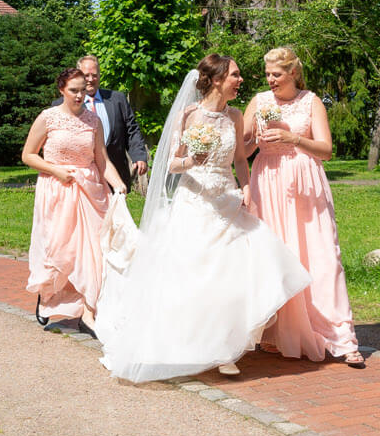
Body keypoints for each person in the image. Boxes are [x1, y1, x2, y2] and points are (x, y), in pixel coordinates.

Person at [94, 55, 311, 382]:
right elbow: (172, 164)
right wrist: (192, 160)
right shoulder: (189, 115)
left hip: (228, 200)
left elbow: (240, 159)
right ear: (217, 79)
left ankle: (225, 348)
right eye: (235, 75)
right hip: (195, 203)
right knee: (197, 277)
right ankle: (189, 344)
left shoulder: (235, 115)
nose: (240, 80)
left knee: (242, 270)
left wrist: (246, 187)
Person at [244, 47, 364, 367]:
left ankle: (341, 337)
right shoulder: (259, 102)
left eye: (276, 74)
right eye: (267, 74)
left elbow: (326, 150)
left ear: (293, 73)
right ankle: (280, 333)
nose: (270, 80)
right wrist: (253, 139)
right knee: (279, 256)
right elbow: (242, 148)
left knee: (323, 258)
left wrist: (293, 139)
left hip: (306, 187)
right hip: (268, 184)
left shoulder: (311, 102)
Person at [22, 67, 128, 330]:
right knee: (62, 250)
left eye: (83, 90)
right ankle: (49, 294)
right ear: (62, 90)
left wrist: (118, 184)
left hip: (90, 191)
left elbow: (102, 160)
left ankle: (89, 312)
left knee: (94, 251)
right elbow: (28, 155)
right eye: (73, 90)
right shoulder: (47, 118)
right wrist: (56, 170)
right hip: (57, 190)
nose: (79, 95)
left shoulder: (93, 121)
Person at [76, 55, 149, 191]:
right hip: (83, 177)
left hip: (116, 174)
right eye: (86, 75)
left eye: (94, 75)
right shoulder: (65, 105)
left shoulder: (117, 99)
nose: (90, 79)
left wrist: (139, 156)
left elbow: (132, 130)